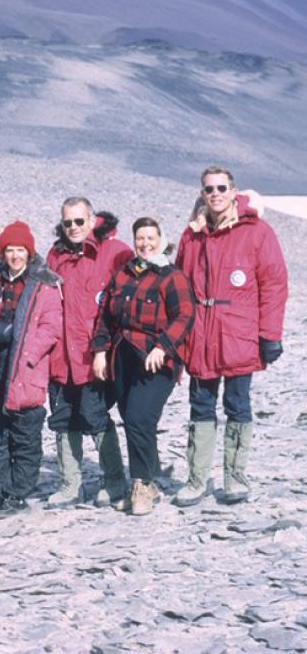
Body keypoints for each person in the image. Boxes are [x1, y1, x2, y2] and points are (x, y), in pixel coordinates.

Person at [173, 167, 288, 506]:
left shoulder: (257, 232)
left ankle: (235, 479)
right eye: (209, 189)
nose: (215, 194)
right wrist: (179, 337)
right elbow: (179, 287)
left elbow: (274, 285)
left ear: (234, 190)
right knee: (201, 405)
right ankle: (196, 479)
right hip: (200, 334)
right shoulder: (192, 235)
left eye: (221, 187)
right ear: (202, 193)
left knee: (237, 404)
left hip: (238, 334)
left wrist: (270, 335)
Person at [93, 218, 196, 515]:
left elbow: (185, 315)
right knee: (133, 419)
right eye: (140, 238)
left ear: (161, 239)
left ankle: (141, 484)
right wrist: (100, 350)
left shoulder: (170, 275)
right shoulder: (124, 273)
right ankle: (149, 480)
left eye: (151, 237)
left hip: (156, 360)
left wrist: (163, 346)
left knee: (139, 418)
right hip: (124, 355)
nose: (145, 243)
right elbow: (105, 316)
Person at [0, 221, 63, 518]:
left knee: (24, 435)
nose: (15, 256)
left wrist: (30, 355)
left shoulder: (44, 285)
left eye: (20, 250)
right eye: (10, 249)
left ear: (29, 251)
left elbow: (51, 326)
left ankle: (17, 493)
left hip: (25, 365)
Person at [45, 198, 133, 508]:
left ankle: (115, 479)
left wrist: (107, 349)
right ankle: (70, 483)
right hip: (59, 355)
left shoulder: (115, 251)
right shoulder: (55, 256)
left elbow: (131, 296)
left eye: (79, 222)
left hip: (92, 353)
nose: (73, 228)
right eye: (68, 222)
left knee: (95, 415)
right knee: (62, 418)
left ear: (92, 219)